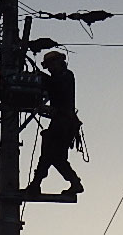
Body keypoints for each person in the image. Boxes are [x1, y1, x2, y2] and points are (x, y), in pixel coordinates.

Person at [25, 51, 84, 195]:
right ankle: (73, 183)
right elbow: (50, 86)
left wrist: (40, 77)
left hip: (64, 123)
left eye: (51, 64)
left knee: (50, 154)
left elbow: (55, 86)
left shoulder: (66, 76)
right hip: (60, 122)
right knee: (53, 157)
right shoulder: (56, 79)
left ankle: (36, 185)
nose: (50, 68)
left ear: (59, 62)